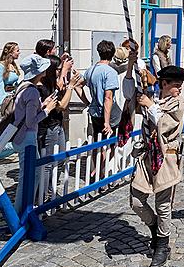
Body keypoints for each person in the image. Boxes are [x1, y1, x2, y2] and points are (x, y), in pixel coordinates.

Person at [130, 65, 184, 267]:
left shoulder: (178, 103)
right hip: (147, 157)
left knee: (163, 206)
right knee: (136, 201)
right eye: (175, 85)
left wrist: (150, 105)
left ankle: (163, 245)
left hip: (166, 159)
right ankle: (154, 227)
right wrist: (133, 67)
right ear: (164, 84)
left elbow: (166, 124)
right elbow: (133, 100)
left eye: (181, 85)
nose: (179, 89)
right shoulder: (154, 100)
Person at [12, 54, 57, 213]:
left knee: (31, 174)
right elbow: (31, 121)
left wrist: (42, 105)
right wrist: (47, 110)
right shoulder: (32, 92)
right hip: (27, 137)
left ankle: (23, 211)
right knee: (29, 176)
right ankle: (21, 213)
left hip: (21, 136)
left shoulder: (23, 86)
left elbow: (24, 112)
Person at [37, 55, 82, 198]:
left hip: (57, 124)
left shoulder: (51, 84)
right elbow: (62, 106)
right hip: (48, 126)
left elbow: (60, 88)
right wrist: (70, 86)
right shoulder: (43, 88)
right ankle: (44, 194)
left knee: (61, 158)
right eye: (57, 69)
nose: (59, 72)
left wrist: (65, 71)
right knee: (48, 163)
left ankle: (49, 189)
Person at [81, 40, 122, 140]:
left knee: (97, 141)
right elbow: (108, 98)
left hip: (95, 112)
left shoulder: (90, 70)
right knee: (110, 144)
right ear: (112, 54)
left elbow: (78, 86)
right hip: (109, 114)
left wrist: (87, 102)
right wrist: (107, 122)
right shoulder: (110, 72)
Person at [0, 42, 21, 107]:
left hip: (13, 97)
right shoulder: (0, 66)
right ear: (10, 53)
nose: (19, 53)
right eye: (17, 51)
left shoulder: (13, 65)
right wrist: (2, 101)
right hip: (5, 100)